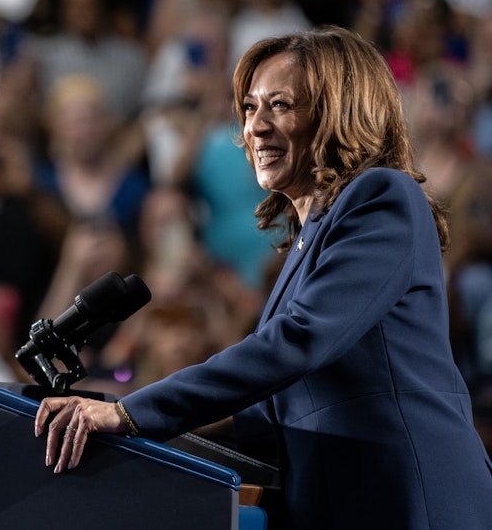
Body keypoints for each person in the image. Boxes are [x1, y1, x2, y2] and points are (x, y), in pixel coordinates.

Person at [34, 26, 492, 529]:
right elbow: (275, 401)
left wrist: (131, 413)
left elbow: (296, 342)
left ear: (337, 111)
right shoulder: (309, 234)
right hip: (341, 499)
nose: (256, 126)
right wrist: (133, 423)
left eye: (280, 105)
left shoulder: (381, 197)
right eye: (250, 108)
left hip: (406, 493)